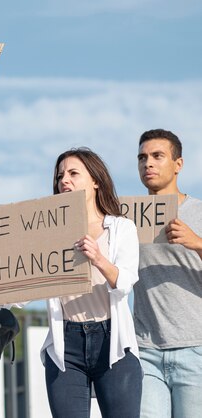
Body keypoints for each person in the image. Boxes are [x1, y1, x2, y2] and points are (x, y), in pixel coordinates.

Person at [40, 148, 142, 418]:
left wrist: (98, 258)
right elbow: (21, 289)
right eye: (60, 176)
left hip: (113, 341)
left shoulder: (122, 228)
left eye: (74, 173)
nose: (64, 180)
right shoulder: (48, 234)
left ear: (96, 181)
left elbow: (126, 281)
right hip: (66, 346)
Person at [134, 129, 202, 418]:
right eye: (142, 157)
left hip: (195, 349)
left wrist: (197, 243)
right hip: (145, 350)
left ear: (178, 164)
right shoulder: (126, 219)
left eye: (157, 156)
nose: (148, 163)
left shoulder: (199, 212)